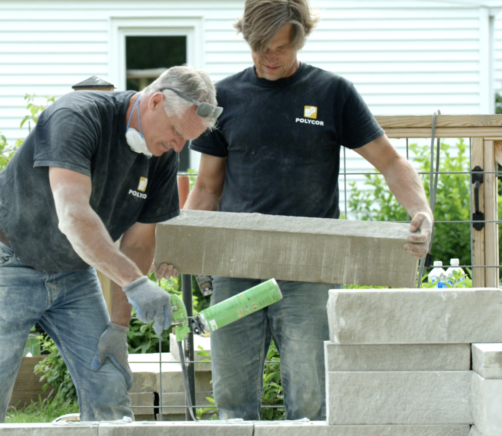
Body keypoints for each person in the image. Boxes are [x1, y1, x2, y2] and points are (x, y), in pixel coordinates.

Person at [184, 0, 433, 421]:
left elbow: (391, 162)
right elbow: (207, 187)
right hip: (235, 265)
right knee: (232, 400)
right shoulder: (225, 98)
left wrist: (421, 210)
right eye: (261, 47)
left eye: (281, 47)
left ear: (300, 39)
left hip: (310, 268)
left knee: (310, 399)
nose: (270, 57)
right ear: (247, 38)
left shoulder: (332, 93)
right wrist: (189, 247)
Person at [0, 66, 221, 423]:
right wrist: (137, 284)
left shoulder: (162, 157)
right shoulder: (77, 116)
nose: (178, 146)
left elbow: (139, 245)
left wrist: (119, 327)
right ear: (156, 101)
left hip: (73, 272)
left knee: (109, 385)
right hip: (4, 259)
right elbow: (73, 216)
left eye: (187, 139)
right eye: (176, 132)